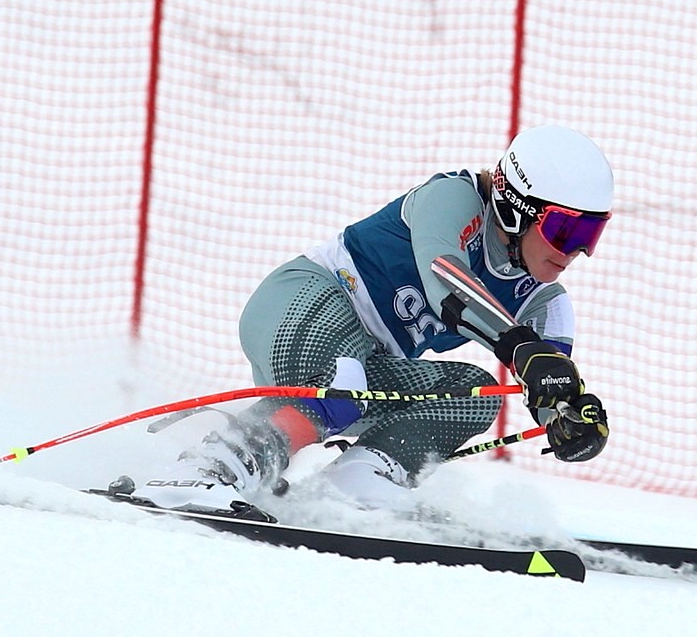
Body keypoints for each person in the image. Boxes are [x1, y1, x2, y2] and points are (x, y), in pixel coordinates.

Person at [126, 124, 614, 515]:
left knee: (474, 395)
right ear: (514, 208)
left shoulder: (547, 303)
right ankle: (211, 466)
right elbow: (446, 279)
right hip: (300, 302)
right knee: (344, 380)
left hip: (364, 366)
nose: (576, 251)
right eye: (565, 229)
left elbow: (547, 382)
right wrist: (520, 346)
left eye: (590, 233)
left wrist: (569, 418)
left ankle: (359, 481)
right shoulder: (455, 198)